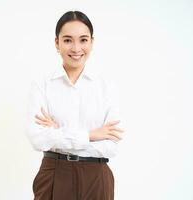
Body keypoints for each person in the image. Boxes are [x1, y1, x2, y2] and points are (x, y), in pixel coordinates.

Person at [25, 10, 124, 200]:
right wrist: (91, 135)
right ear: (57, 43)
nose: (76, 48)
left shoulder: (106, 87)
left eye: (83, 40)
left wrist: (57, 134)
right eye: (68, 40)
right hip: (54, 173)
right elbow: (37, 139)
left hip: (97, 176)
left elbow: (111, 146)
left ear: (92, 42)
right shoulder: (42, 85)